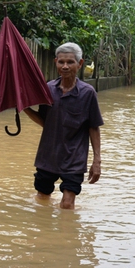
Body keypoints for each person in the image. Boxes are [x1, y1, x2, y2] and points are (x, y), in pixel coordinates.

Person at [23, 42, 103, 210]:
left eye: (70, 62)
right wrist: (24, 108)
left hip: (74, 159)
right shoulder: (47, 89)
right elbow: (45, 121)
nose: (65, 66)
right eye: (61, 62)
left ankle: (66, 235)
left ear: (80, 64)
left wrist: (97, 161)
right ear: (56, 63)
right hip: (48, 157)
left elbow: (93, 127)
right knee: (42, 199)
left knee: (67, 204)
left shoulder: (88, 93)